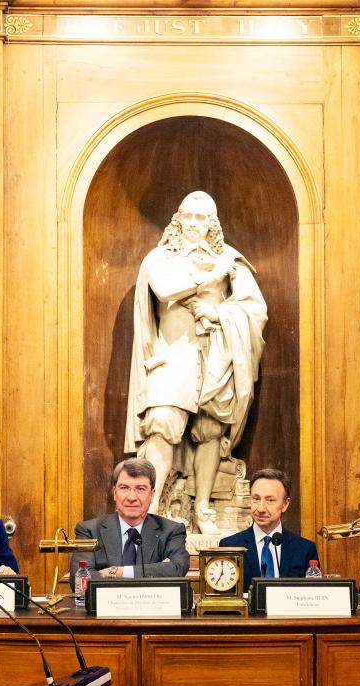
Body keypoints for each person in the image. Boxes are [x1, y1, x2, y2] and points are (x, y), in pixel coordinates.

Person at [124, 191, 268, 534]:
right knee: (162, 422)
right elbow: (164, 290)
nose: (193, 224)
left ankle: (202, 506)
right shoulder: (160, 258)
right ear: (178, 219)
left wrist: (218, 311)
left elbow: (255, 309)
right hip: (172, 355)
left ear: (211, 224)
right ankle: (152, 507)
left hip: (215, 355)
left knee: (210, 429)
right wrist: (211, 276)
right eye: (188, 216)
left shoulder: (230, 258)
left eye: (201, 218)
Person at [69, 458, 190, 587]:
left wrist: (116, 572)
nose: (131, 498)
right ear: (115, 493)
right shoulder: (89, 531)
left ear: (152, 495)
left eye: (140, 489)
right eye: (124, 488)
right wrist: (157, 570)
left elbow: (177, 568)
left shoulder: (171, 531)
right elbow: (79, 579)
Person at [218, 469, 318, 590]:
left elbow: (312, 595)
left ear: (285, 504)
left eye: (270, 500)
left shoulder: (305, 549)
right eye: (256, 498)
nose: (260, 508)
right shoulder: (229, 546)